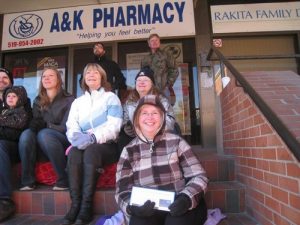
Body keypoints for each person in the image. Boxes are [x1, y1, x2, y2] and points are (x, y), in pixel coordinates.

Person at [115, 95, 208, 225]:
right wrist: (132, 207)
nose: (149, 117)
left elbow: (199, 176)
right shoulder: (128, 151)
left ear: (162, 118)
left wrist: (186, 198)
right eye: (144, 113)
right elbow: (122, 190)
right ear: (137, 119)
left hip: (179, 203)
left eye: (155, 113)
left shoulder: (176, 142)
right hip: (148, 209)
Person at [63, 63, 123, 225]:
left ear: (102, 77)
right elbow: (71, 125)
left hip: (106, 145)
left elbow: (114, 126)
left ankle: (86, 208)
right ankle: (75, 205)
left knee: (91, 151)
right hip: (83, 144)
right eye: (87, 72)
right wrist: (76, 138)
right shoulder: (78, 102)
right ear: (83, 78)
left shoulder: (111, 98)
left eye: (95, 72)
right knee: (74, 153)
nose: (91, 74)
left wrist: (93, 138)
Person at [18, 67, 75, 191]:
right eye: (44, 76)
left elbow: (67, 128)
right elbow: (37, 123)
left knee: (44, 134)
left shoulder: (69, 100)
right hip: (41, 141)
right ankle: (27, 181)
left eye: (51, 76)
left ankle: (63, 179)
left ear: (58, 80)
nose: (47, 78)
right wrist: (33, 126)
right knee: (26, 135)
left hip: (62, 140)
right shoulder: (38, 101)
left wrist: (48, 126)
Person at [118, 66, 176, 155]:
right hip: (135, 136)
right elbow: (123, 119)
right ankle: (126, 166)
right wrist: (127, 128)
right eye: (139, 80)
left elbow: (170, 120)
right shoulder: (129, 102)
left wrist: (151, 131)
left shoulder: (161, 100)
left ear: (152, 84)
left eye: (145, 80)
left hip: (156, 136)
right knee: (122, 139)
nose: (141, 82)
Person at [0, 68, 32, 222]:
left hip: (12, 144)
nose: (1, 80)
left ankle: (5, 200)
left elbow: (21, 126)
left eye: (5, 77)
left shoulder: (22, 101)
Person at [141, 33, 179, 104]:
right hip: (150, 90)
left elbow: (174, 70)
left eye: (156, 40)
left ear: (159, 42)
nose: (154, 42)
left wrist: (168, 84)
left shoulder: (167, 55)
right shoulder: (145, 59)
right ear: (149, 44)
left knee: (165, 111)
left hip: (164, 90)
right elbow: (142, 74)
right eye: (152, 41)